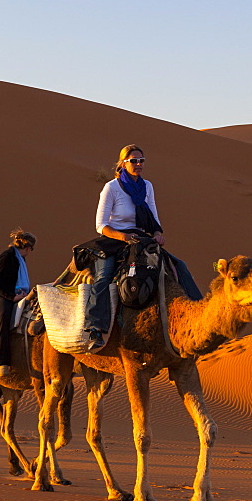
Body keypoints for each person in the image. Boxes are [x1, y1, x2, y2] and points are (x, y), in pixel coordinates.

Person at [83, 144, 200, 352]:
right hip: (115, 240)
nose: (138, 165)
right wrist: (123, 236)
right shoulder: (111, 188)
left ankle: (198, 313)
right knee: (103, 277)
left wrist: (157, 234)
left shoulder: (147, 186)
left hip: (142, 241)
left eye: (141, 161)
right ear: (123, 163)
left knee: (178, 267)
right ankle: (95, 330)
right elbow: (100, 225)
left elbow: (153, 216)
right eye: (134, 161)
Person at [0, 229, 36, 376]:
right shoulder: (6, 257)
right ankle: (2, 362)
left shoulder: (20, 259)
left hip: (20, 294)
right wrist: (11, 297)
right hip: (3, 297)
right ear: (28, 247)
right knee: (4, 317)